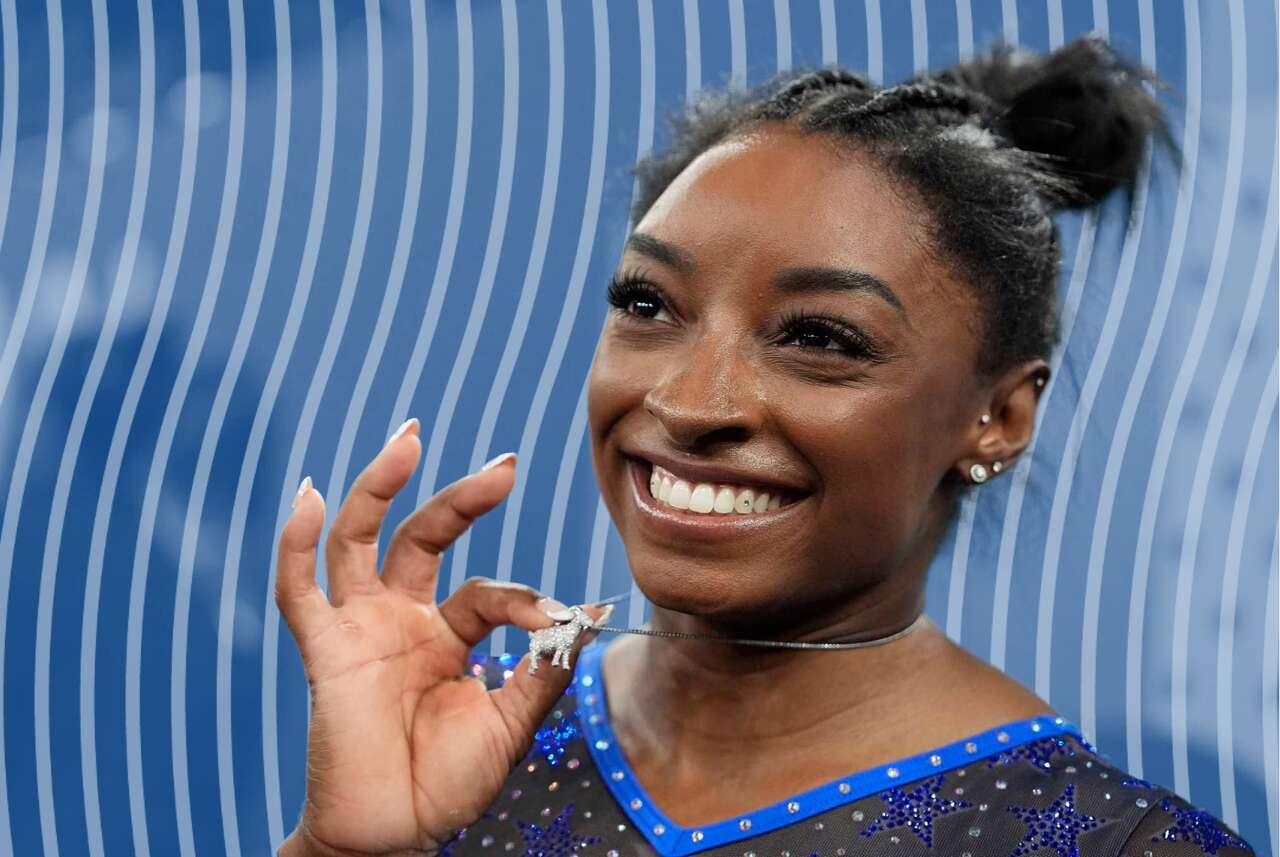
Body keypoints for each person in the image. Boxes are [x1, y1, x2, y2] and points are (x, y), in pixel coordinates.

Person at [274, 35, 1256, 857]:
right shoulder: (466, 736)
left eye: (817, 337)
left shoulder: (1110, 840)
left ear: (994, 416)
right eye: (646, 305)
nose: (688, 398)